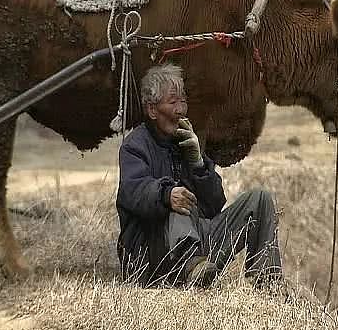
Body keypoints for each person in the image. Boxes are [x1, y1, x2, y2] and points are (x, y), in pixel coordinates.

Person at [115, 63, 282, 288]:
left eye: (183, 100)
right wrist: (166, 194)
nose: (181, 109)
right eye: (172, 102)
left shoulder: (185, 141)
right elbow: (132, 191)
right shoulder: (134, 146)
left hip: (198, 247)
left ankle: (267, 281)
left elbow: (214, 205)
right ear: (152, 110)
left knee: (259, 200)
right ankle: (190, 266)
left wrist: (198, 162)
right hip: (152, 255)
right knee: (178, 199)